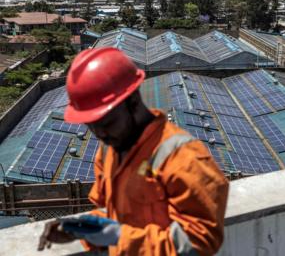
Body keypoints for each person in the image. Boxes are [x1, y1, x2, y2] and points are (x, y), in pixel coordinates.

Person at [37, 47, 229, 255]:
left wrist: (120, 237)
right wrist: (82, 228)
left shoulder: (184, 158)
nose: (100, 134)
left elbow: (200, 241)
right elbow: (116, 214)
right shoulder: (109, 152)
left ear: (134, 102)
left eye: (107, 122)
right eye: (91, 125)